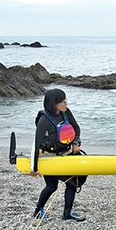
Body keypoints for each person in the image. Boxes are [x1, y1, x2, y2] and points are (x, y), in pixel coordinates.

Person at [30, 89, 86, 221]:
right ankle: (38, 210)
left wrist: (76, 143)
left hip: (66, 153)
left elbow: (76, 128)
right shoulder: (44, 120)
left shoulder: (65, 113)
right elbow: (36, 144)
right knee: (51, 186)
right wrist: (34, 168)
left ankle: (67, 213)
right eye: (63, 101)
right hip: (49, 157)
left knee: (72, 183)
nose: (66, 103)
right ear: (54, 103)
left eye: (66, 100)